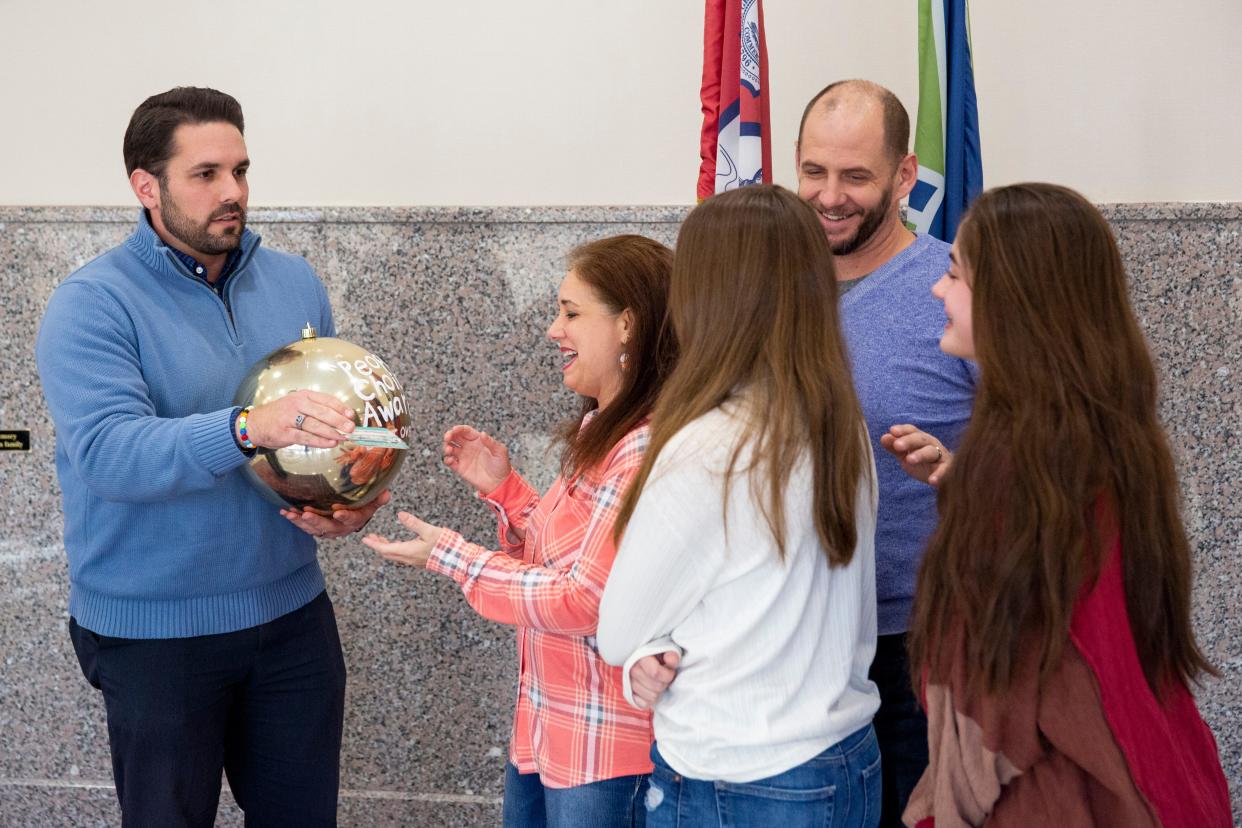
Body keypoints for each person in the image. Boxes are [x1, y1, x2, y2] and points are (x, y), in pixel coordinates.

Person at [625, 80, 976, 827]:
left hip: (925, 650)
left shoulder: (957, 291)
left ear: (906, 176)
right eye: (813, 171)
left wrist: (957, 474)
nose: (829, 196)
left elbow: (1040, 457)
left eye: (856, 177)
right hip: (769, 670)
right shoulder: (759, 294)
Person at [35, 87, 385, 827]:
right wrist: (247, 425)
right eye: (206, 174)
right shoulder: (91, 303)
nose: (233, 192)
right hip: (153, 638)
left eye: (241, 169)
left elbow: (328, 429)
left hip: (291, 620)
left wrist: (347, 499)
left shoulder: (293, 282)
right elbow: (109, 452)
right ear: (146, 186)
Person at [902, 183, 1231, 826]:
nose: (939, 291)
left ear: (1014, 300)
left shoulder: (1018, 478)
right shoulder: (1106, 439)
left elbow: (994, 709)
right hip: (1162, 776)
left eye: (954, 274)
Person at [362, 235, 675, 828]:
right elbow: (573, 556)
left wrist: (453, 557)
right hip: (547, 734)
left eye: (572, 313)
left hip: (603, 755)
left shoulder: (641, 447)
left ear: (628, 325)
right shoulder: (602, 429)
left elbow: (586, 599)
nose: (554, 330)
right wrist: (506, 491)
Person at [597, 185, 882, 827]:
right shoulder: (838, 421)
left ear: (710, 295)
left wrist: (646, 647)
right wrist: (657, 645)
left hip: (738, 780)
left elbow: (617, 632)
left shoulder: (707, 447)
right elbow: (758, 594)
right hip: (842, 761)